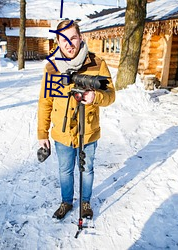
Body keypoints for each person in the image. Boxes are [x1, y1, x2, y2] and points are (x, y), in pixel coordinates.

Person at [37, 20, 115, 220]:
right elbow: (45, 102)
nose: (69, 44)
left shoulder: (97, 64)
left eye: (73, 38)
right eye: (63, 39)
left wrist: (95, 97)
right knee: (65, 170)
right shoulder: (52, 68)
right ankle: (66, 202)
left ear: (80, 38)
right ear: (58, 42)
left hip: (88, 130)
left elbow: (111, 95)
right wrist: (42, 134)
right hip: (62, 133)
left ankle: (86, 202)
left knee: (87, 168)